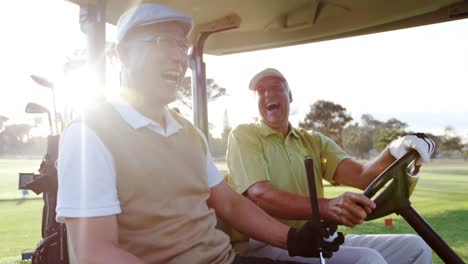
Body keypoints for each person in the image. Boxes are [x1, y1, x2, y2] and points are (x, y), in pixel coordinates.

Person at [55, 5, 344, 264]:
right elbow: (94, 252)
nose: (178, 58)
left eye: (181, 46)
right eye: (162, 42)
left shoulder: (188, 133)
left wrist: (293, 239)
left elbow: (229, 202)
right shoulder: (89, 134)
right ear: (124, 53)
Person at [226, 68, 435, 264]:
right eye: (261, 91)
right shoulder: (245, 135)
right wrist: (328, 207)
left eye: (276, 87)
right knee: (367, 261)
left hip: (317, 237)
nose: (268, 94)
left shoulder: (313, 141)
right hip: (267, 241)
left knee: (417, 247)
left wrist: (393, 151)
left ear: (290, 95)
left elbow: (362, 176)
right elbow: (261, 196)